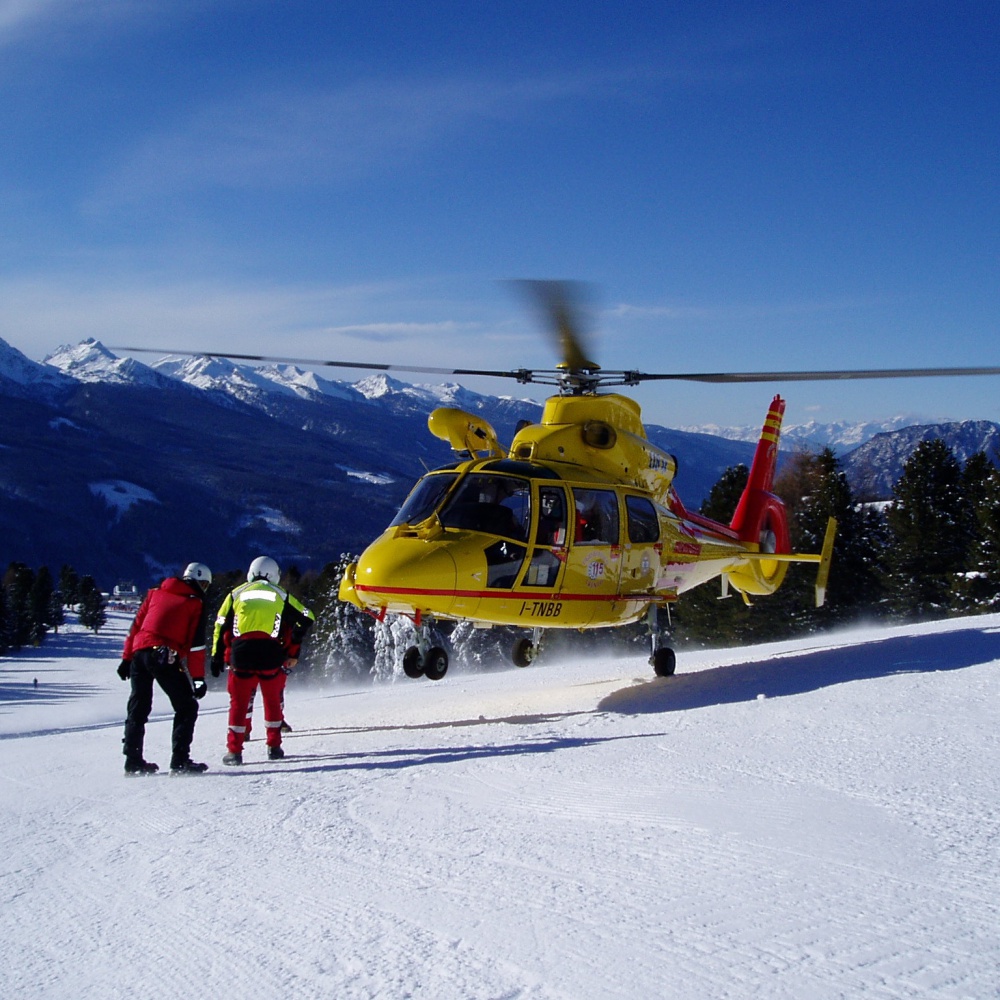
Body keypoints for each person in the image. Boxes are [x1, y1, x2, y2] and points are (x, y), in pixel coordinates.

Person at [212, 556, 315, 765]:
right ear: (273, 574)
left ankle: (234, 752)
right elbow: (307, 616)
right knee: (272, 701)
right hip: (270, 654)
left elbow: (221, 624)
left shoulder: (236, 594)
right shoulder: (280, 593)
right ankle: (274, 747)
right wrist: (293, 647)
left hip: (241, 654)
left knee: (238, 704)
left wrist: (217, 655)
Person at [118, 562, 213, 775]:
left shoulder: (154, 593)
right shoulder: (195, 602)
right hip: (162, 654)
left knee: (138, 707)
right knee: (186, 706)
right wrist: (198, 679)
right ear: (202, 582)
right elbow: (197, 645)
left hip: (139, 654)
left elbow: (136, 626)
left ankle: (132, 762)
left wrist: (126, 659)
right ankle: (180, 761)